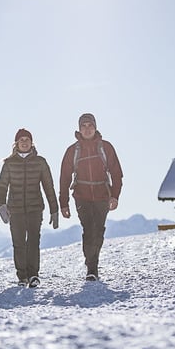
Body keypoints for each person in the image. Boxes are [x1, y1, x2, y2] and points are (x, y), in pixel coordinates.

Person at [59, 113, 123, 281]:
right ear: (79, 129)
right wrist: (63, 203)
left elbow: (117, 174)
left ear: (95, 127)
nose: (87, 129)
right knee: (89, 230)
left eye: (90, 126)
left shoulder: (105, 147)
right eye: (84, 126)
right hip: (82, 196)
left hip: (102, 195)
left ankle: (92, 262)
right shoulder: (73, 150)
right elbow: (64, 178)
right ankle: (91, 268)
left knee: (99, 230)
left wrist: (115, 196)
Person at [0, 128, 59, 287]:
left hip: (35, 208)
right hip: (15, 210)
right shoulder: (9, 164)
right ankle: (22, 276)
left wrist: (54, 209)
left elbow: (48, 187)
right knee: (18, 243)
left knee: (33, 242)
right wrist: (1, 205)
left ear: (32, 143)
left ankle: (33, 276)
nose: (24, 142)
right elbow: (1, 186)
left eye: (27, 140)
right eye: (21, 140)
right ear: (16, 143)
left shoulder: (40, 162)